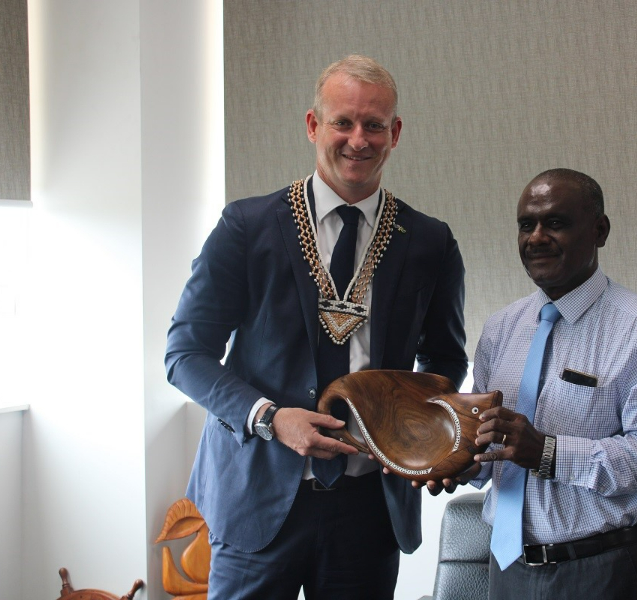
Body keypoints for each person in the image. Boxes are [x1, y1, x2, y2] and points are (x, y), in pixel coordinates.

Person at [165, 55, 467, 600]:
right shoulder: (246, 227)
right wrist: (270, 418)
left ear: (394, 133)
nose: (359, 139)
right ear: (313, 125)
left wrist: (411, 434)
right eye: (342, 122)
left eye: (374, 124)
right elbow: (185, 354)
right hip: (256, 496)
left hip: (370, 506)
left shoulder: (430, 242)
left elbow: (445, 360)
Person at [466, 168, 637, 599]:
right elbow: (489, 444)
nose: (535, 237)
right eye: (525, 225)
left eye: (555, 223)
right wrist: (460, 463)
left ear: (600, 230)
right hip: (506, 568)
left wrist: (550, 453)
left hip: (600, 572)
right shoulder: (500, 329)